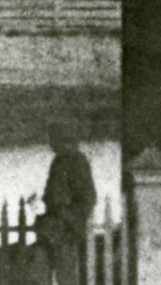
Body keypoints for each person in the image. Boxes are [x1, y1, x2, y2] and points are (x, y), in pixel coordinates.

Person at [38, 122, 97, 285]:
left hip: (66, 231)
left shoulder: (77, 161)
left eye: (52, 139)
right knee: (42, 274)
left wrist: (68, 215)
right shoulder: (57, 162)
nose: (50, 143)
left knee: (67, 277)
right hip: (51, 228)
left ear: (62, 139)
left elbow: (88, 198)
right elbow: (51, 193)